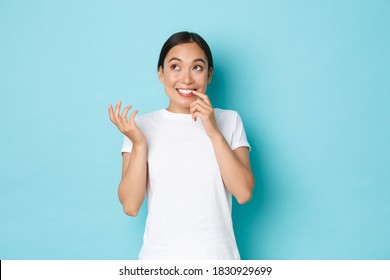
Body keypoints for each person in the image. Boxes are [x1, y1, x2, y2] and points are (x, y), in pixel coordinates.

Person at [108, 31, 254, 260]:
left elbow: (244, 193)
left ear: (209, 75)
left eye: (197, 67)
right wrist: (139, 144)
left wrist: (213, 131)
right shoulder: (140, 127)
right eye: (175, 67)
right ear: (161, 73)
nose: (186, 79)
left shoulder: (230, 120)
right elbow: (130, 205)